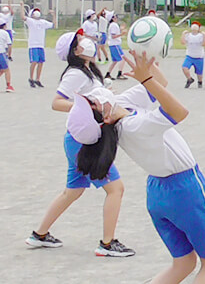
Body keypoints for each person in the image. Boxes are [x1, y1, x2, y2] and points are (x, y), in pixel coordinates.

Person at [73, 50, 205, 282]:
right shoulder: (132, 126)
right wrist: (146, 79)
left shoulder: (121, 107)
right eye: (92, 103)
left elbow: (160, 83)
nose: (93, 96)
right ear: (105, 118)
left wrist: (147, 60)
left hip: (158, 192)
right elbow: (179, 112)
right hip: (185, 189)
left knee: (183, 263)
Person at [26, 30, 133, 257]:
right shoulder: (75, 73)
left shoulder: (89, 70)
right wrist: (88, 105)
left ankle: (39, 235)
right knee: (116, 188)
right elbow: (57, 102)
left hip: (79, 138)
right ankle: (107, 244)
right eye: (80, 41)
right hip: (83, 141)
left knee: (73, 191)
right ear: (74, 51)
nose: (87, 42)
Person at [21, 5, 56, 88]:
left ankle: (37, 79)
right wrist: (22, 6)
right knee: (34, 61)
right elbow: (23, 17)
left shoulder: (43, 22)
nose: (37, 13)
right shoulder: (31, 21)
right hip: (33, 45)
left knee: (41, 62)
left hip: (41, 45)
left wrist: (54, 15)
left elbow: (53, 25)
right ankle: (31, 78)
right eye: (34, 12)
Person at [181, 22, 205, 89]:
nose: (194, 30)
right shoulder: (188, 35)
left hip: (199, 57)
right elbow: (183, 42)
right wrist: (183, 34)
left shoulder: (200, 35)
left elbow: (204, 44)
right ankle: (189, 79)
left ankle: (200, 82)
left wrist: (204, 36)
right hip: (189, 56)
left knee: (199, 73)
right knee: (184, 67)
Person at [105, 11, 127, 81]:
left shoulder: (113, 25)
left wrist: (121, 30)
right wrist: (122, 34)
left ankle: (108, 74)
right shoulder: (113, 25)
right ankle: (119, 74)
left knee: (115, 61)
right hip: (115, 44)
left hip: (113, 44)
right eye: (115, 16)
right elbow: (113, 36)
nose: (116, 18)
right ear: (112, 18)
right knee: (123, 58)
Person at [0, 18, 14, 92]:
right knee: (6, 69)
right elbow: (9, 45)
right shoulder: (5, 33)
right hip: (1, 52)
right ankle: (8, 85)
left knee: (1, 70)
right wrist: (9, 55)